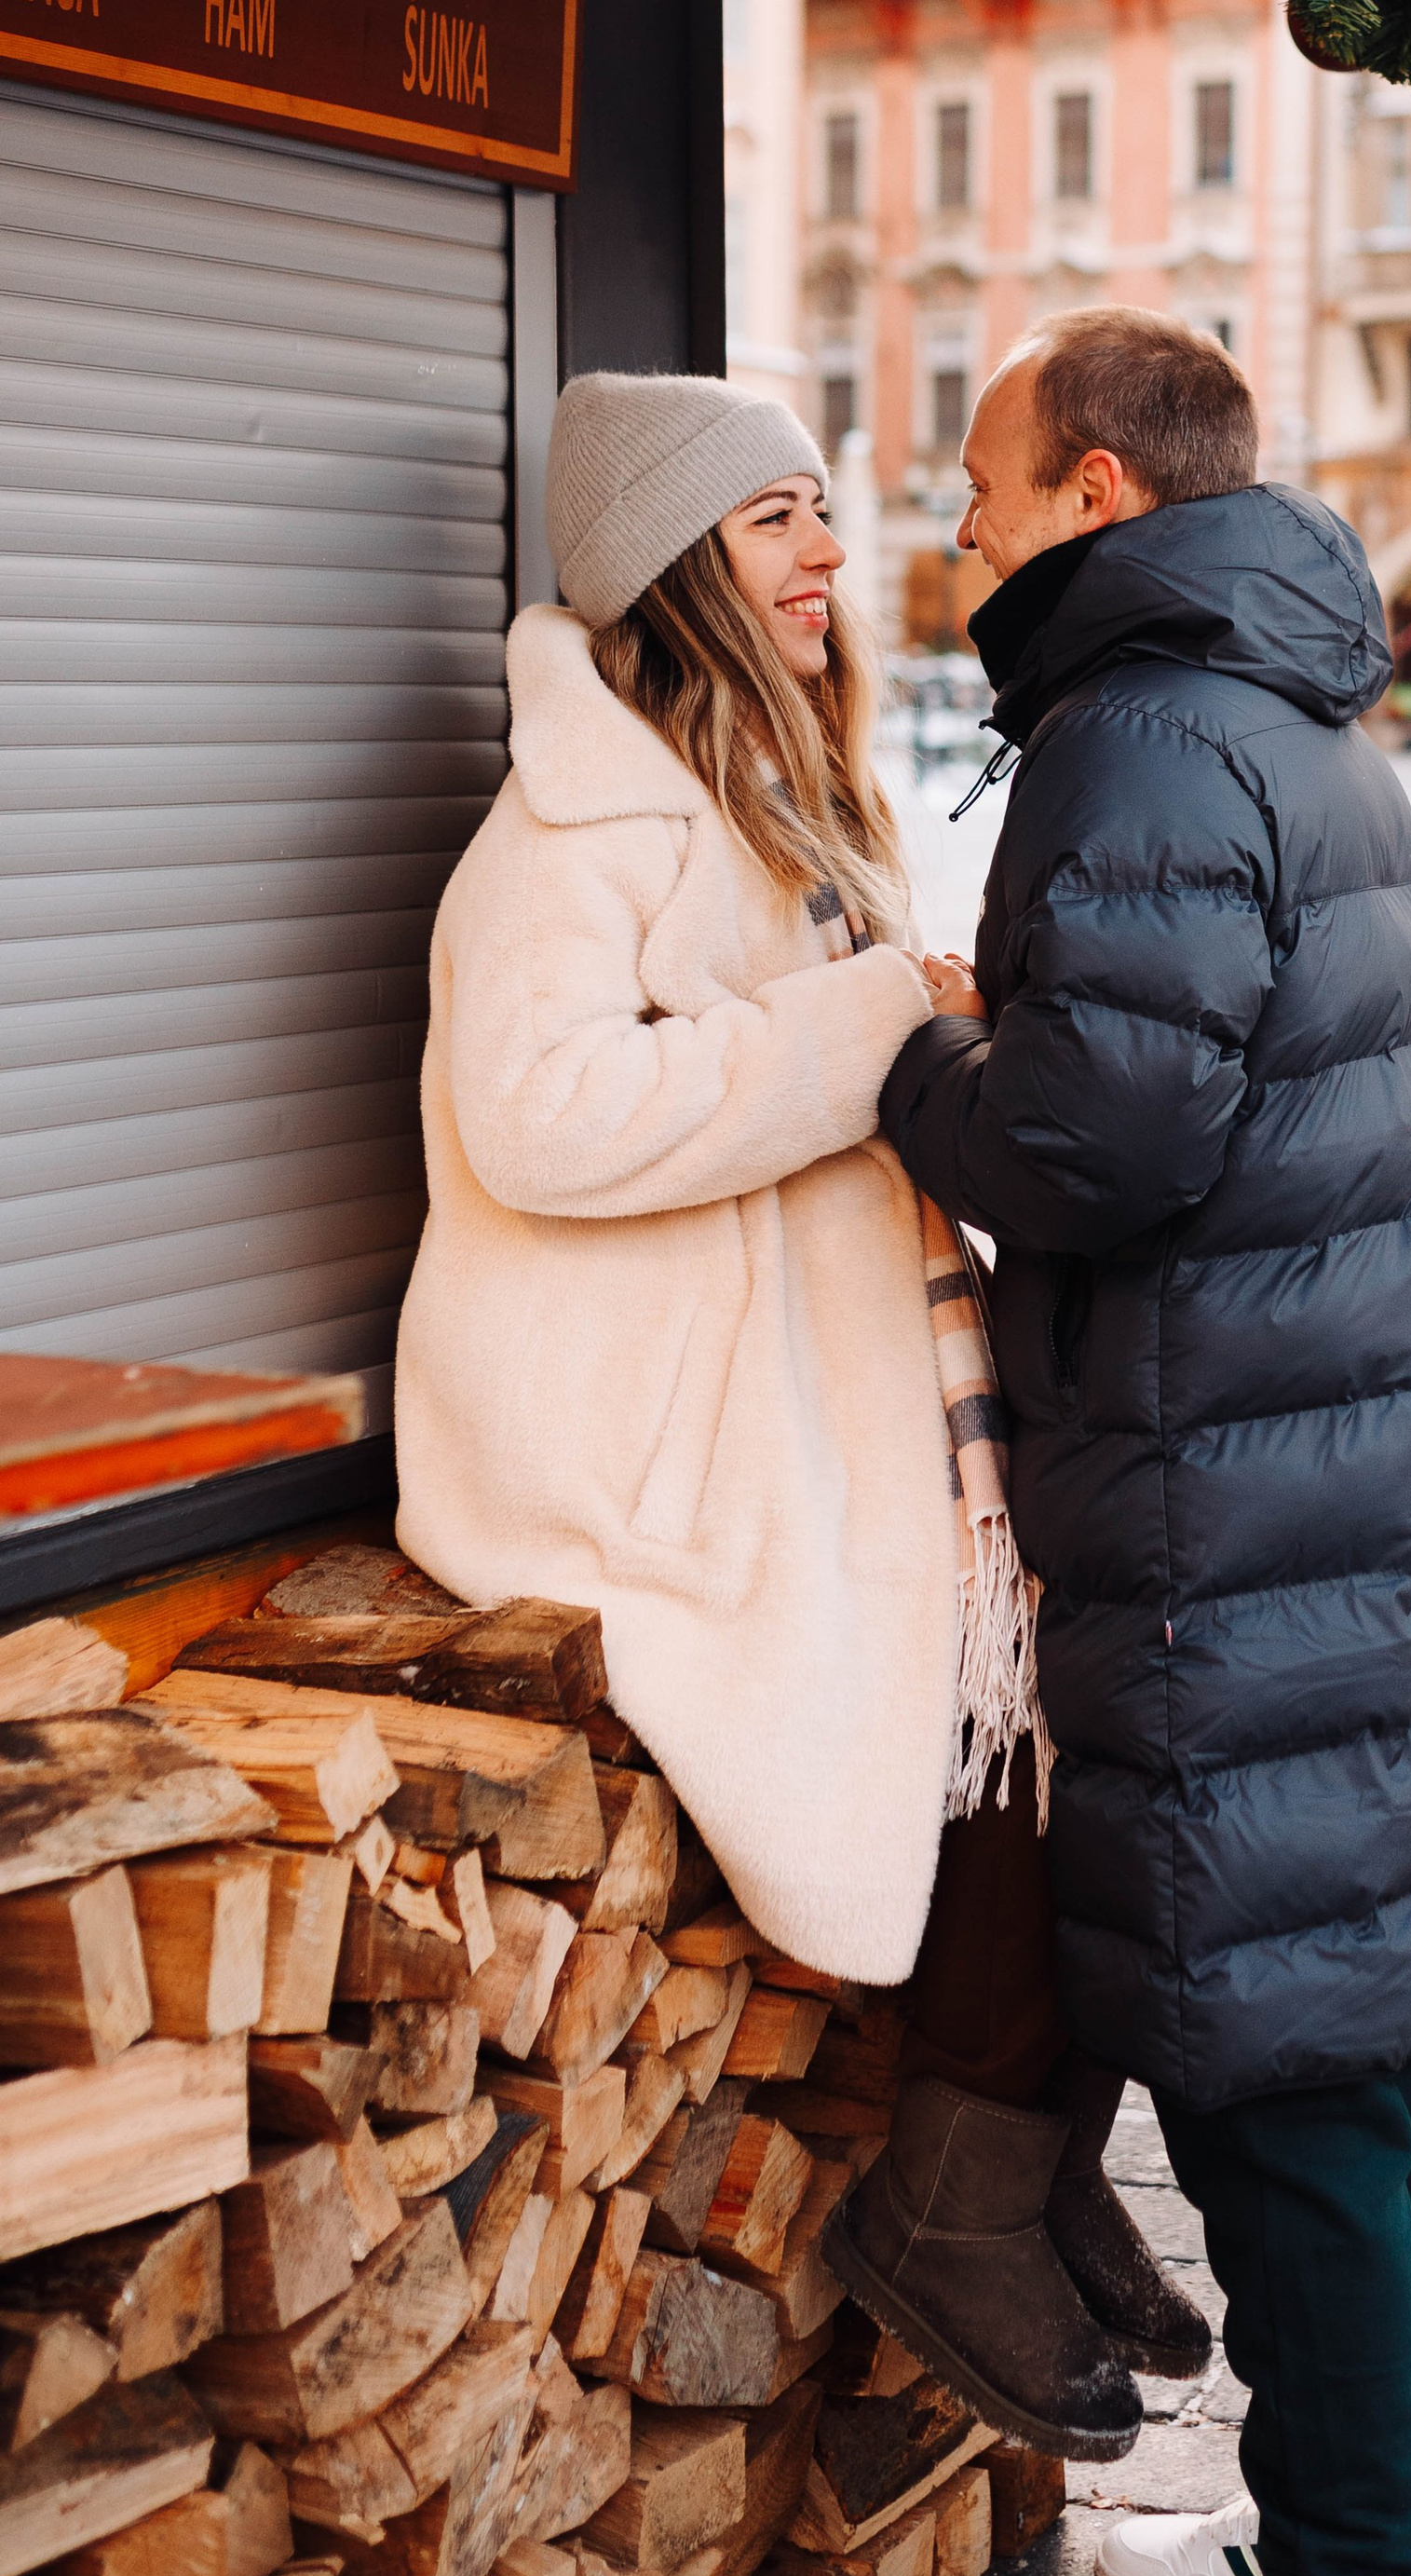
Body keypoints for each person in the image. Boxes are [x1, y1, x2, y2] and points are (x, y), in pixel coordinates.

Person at [394, 369, 1202, 2462]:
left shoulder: (778, 793)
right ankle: (955, 2197)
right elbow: (540, 1117)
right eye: (776, 520)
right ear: (676, 564)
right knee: (999, 1760)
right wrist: (862, 1027)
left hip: (832, 1399)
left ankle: (1023, 2167)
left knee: (1089, 1717)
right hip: (661, 1449)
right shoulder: (572, 831)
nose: (831, 552)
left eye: (823, 509)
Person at [862, 309, 1411, 2576]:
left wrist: (921, 1060)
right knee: (1360, 2038)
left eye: (985, 480)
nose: (956, 523)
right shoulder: (1280, 699)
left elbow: (1099, 1143)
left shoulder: (1132, 729)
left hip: (1223, 1498)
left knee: (1280, 2073)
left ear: (1100, 492)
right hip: (1325, 1477)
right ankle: (1369, 2530)